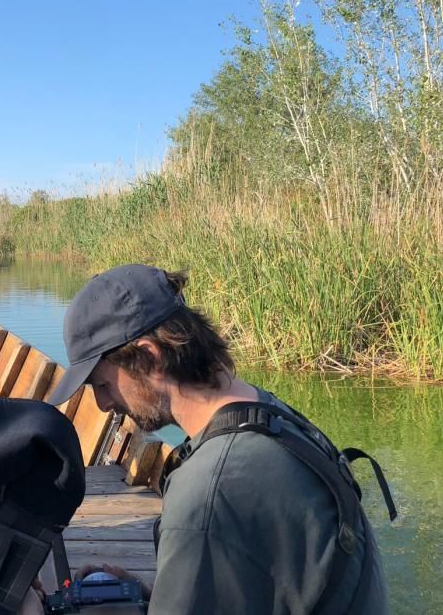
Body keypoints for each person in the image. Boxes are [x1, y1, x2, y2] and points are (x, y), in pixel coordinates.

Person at [47, 264, 391, 615]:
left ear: (150, 357)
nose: (104, 405)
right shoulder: (270, 414)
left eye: (104, 385)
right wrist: (153, 596)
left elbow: (216, 510)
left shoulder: (209, 491)